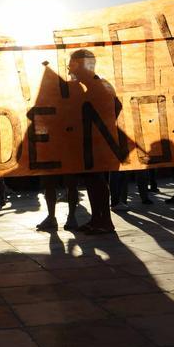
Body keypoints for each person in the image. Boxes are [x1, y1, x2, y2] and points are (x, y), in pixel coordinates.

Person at [68, 49, 116, 234]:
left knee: (97, 180)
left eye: (72, 65)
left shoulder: (99, 85)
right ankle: (98, 219)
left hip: (98, 143)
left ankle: (104, 222)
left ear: (82, 66)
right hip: (93, 141)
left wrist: (101, 129)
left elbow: (115, 107)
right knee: (92, 180)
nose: (69, 70)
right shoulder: (95, 85)